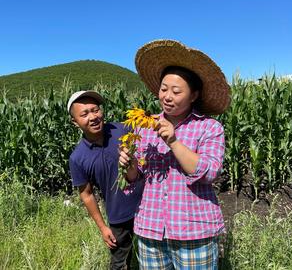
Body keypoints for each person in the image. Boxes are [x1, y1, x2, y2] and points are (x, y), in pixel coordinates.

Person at [119, 40, 231, 269]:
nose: (167, 96)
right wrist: (129, 164)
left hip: (194, 232)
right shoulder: (145, 126)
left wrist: (173, 141)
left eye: (176, 91)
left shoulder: (209, 128)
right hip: (151, 229)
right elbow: (137, 176)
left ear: (193, 95)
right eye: (163, 89)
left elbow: (210, 172)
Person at [67, 90, 143, 270]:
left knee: (152, 258)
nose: (93, 117)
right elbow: (86, 195)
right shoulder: (78, 158)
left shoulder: (123, 129)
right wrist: (103, 228)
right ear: (74, 122)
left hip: (147, 207)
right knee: (120, 263)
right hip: (119, 217)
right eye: (84, 114)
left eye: (95, 110)